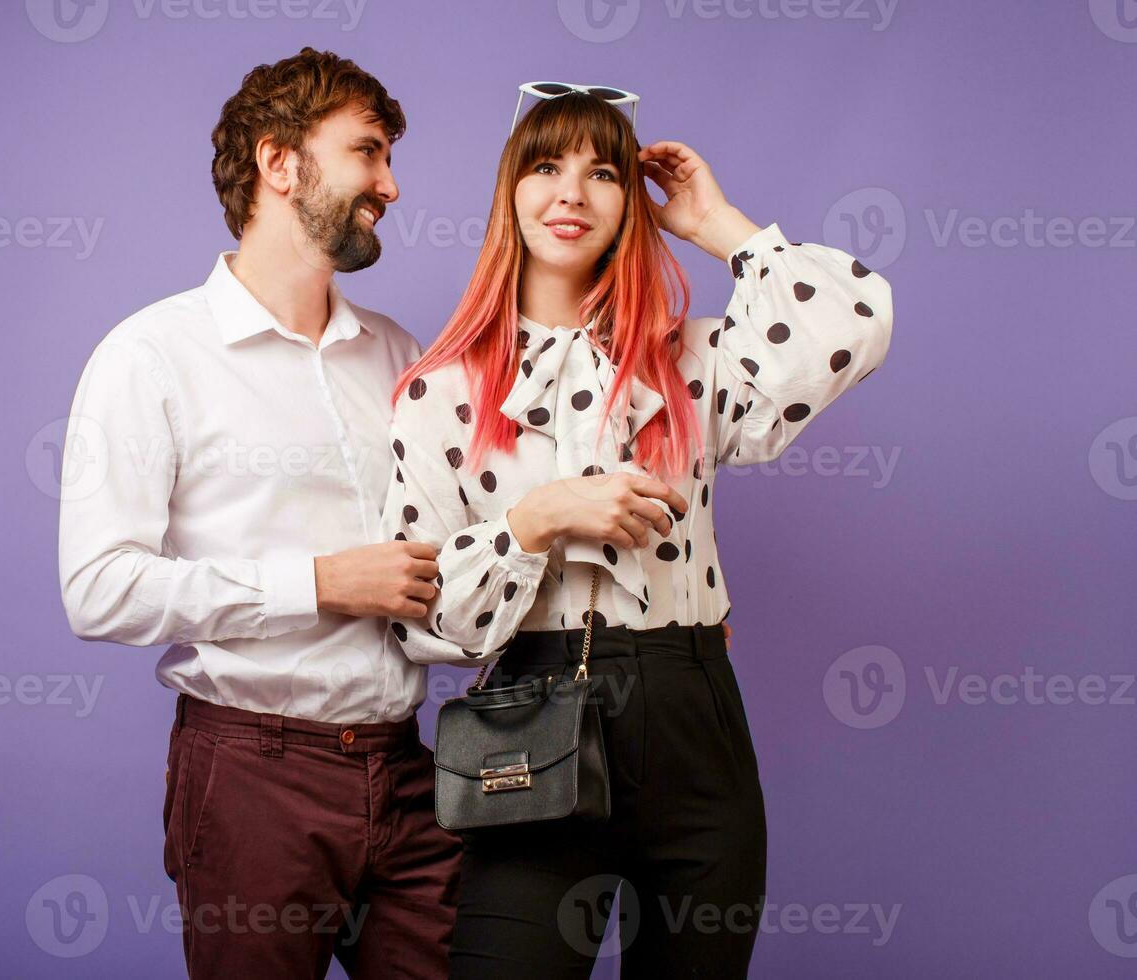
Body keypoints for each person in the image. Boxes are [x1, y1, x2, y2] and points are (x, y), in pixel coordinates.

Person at [381, 84, 893, 978]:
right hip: (529, 721)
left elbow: (856, 322)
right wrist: (534, 521)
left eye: (602, 173)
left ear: (631, 205)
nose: (571, 193)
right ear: (510, 190)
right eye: (546, 167)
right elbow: (423, 622)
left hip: (693, 712)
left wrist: (722, 224)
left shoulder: (693, 361)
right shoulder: (441, 392)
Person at [58, 48, 458, 979]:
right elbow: (98, 590)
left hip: (409, 773)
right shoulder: (150, 356)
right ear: (281, 163)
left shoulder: (398, 353)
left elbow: (446, 548)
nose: (391, 185)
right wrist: (321, 583)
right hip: (250, 781)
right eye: (368, 152)